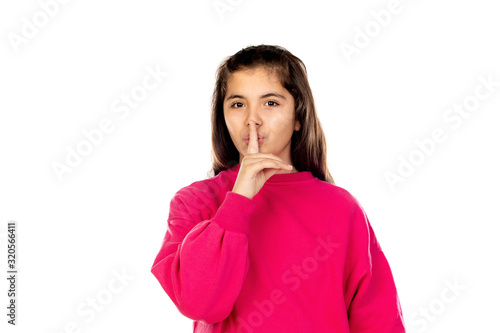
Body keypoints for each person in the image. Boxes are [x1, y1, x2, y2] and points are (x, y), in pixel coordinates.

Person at [151, 44, 406, 332]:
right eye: (238, 104)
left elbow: (378, 320)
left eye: (270, 103)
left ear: (298, 117)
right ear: (222, 117)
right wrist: (239, 200)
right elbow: (200, 304)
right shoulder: (195, 202)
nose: (252, 118)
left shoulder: (340, 207)